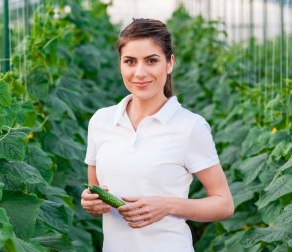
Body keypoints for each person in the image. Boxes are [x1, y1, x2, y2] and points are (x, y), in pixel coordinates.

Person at [80, 18, 234, 252]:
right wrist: (90, 202)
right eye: (130, 61)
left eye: (151, 61)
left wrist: (167, 205)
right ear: (120, 64)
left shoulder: (190, 126)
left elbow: (223, 204)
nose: (139, 72)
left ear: (169, 63)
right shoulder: (101, 121)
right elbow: (96, 189)